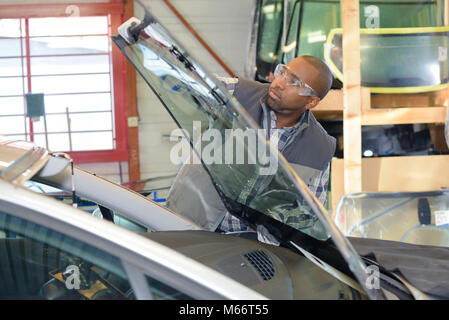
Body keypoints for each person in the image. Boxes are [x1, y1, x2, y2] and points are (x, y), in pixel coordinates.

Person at [166, 55, 335, 236]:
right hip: (185, 226)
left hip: (245, 248)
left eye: (293, 83)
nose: (278, 83)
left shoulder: (319, 148)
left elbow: (306, 219)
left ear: (311, 102)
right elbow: (188, 78)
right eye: (282, 73)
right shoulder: (238, 94)